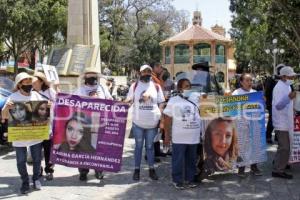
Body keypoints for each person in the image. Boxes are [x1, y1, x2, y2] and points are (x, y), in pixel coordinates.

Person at [1, 72, 44, 194]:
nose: (29, 84)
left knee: (37, 159)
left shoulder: (36, 95)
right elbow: (4, 117)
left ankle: (36, 179)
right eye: (25, 82)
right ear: (19, 85)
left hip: (35, 135)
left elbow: (44, 110)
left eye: (30, 82)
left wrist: (48, 106)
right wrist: (5, 109)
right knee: (20, 161)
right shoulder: (13, 97)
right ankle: (25, 182)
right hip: (19, 136)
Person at [126, 64, 165, 181]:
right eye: (144, 72)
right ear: (140, 73)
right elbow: (129, 100)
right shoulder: (134, 86)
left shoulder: (156, 86)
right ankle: (136, 170)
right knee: (138, 147)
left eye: (149, 72)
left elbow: (161, 103)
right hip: (138, 122)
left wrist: (161, 118)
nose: (146, 74)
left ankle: (151, 169)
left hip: (152, 123)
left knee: (150, 147)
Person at [74, 68, 112, 181]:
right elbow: (73, 105)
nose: (93, 78)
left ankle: (99, 170)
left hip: (100, 123)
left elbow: (110, 101)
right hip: (84, 123)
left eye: (94, 76)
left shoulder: (102, 88)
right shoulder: (79, 90)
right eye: (90, 76)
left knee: (99, 147)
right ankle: (83, 171)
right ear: (85, 77)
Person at [163, 78, 200, 189]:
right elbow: (167, 119)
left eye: (189, 86)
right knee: (177, 160)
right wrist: (167, 136)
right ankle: (177, 180)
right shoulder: (173, 100)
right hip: (179, 137)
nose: (188, 88)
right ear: (179, 88)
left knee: (191, 160)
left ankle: (190, 179)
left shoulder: (196, 98)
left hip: (193, 137)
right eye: (186, 86)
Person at [232, 73, 262, 177]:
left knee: (255, 145)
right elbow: (232, 108)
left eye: (251, 80)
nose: (250, 83)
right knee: (242, 147)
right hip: (241, 124)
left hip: (254, 123)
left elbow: (260, 108)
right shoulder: (236, 93)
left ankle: (254, 167)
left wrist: (263, 101)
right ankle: (241, 168)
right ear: (241, 82)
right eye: (247, 80)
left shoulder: (255, 93)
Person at [272, 66, 296, 179]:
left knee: (283, 146)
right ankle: (278, 170)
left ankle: (280, 164)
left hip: (286, 121)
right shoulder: (279, 87)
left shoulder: (287, 86)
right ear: (284, 76)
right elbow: (278, 105)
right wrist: (289, 98)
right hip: (281, 122)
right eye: (291, 76)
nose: (293, 78)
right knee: (284, 147)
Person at [32, 71, 56, 181]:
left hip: (47, 126)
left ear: (41, 81)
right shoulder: (30, 93)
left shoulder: (49, 91)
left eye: (35, 81)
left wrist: (52, 104)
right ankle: (38, 169)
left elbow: (59, 104)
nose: (33, 83)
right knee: (35, 150)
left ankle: (49, 170)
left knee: (48, 150)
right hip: (33, 127)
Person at [264, 64, 285, 144]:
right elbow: (267, 92)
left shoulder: (286, 79)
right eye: (281, 69)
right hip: (273, 105)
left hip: (283, 105)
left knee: (281, 121)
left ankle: (277, 136)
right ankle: (268, 136)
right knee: (272, 121)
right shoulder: (271, 79)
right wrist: (268, 104)